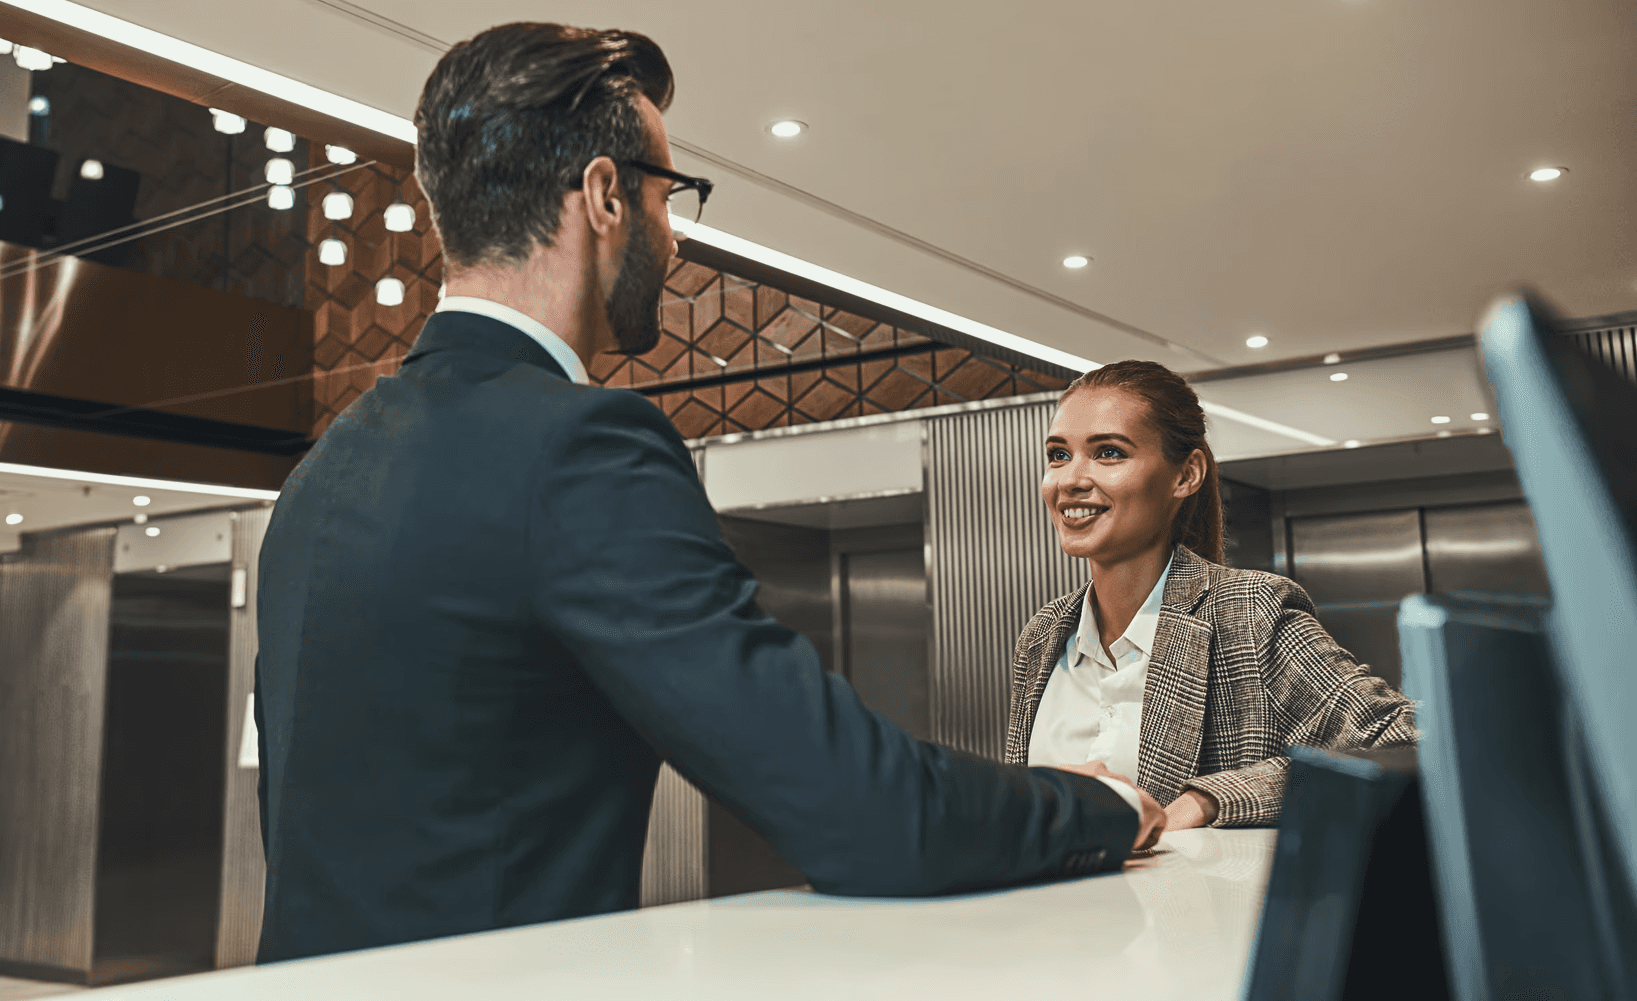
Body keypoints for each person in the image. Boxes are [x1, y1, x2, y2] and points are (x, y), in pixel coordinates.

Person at [252, 22, 1165, 964]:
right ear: (605, 196)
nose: (674, 235)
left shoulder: (322, 470)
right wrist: (1094, 803)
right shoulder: (580, 446)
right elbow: (866, 810)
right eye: (666, 194)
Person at [1004, 361, 1417, 830]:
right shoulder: (1043, 636)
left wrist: (1207, 801)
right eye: (1058, 455)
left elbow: (1409, 744)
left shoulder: (1250, 613)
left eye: (1109, 453)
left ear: (1186, 475)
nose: (1070, 479)